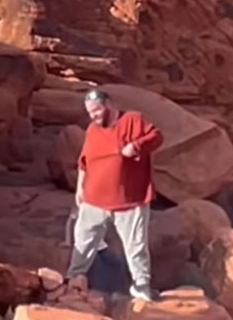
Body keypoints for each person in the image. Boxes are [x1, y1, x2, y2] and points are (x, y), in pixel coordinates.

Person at [67, 88, 163, 302]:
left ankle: (141, 285)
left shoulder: (132, 120)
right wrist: (79, 188)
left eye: (97, 110)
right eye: (90, 113)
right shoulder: (92, 130)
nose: (94, 116)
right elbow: (84, 161)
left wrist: (136, 146)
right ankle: (73, 279)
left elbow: (156, 136)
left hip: (129, 201)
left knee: (136, 245)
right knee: (83, 241)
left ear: (109, 104)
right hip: (93, 201)